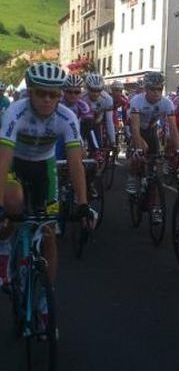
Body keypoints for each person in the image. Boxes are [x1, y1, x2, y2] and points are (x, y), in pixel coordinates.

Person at [0, 63, 94, 288]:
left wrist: (82, 203)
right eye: (41, 93)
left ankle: (43, 301)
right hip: (15, 164)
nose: (47, 100)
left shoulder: (67, 117)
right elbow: (3, 159)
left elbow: (74, 163)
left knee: (49, 233)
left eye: (53, 95)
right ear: (30, 92)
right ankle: (4, 249)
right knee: (13, 203)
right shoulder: (16, 111)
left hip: (44, 167)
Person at [128, 71, 179, 213]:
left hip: (151, 130)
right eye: (152, 89)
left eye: (159, 89)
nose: (156, 93)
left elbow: (174, 129)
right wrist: (139, 145)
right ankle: (132, 177)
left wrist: (178, 150)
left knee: (156, 169)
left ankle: (156, 207)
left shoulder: (167, 103)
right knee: (139, 152)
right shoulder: (137, 101)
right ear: (146, 89)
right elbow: (134, 128)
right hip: (137, 128)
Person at [81, 73, 116, 161]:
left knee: (96, 132)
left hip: (98, 118)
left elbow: (109, 121)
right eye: (92, 90)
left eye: (98, 90)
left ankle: (97, 151)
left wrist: (113, 141)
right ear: (87, 88)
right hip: (83, 119)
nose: (95, 93)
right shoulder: (81, 97)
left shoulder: (107, 99)